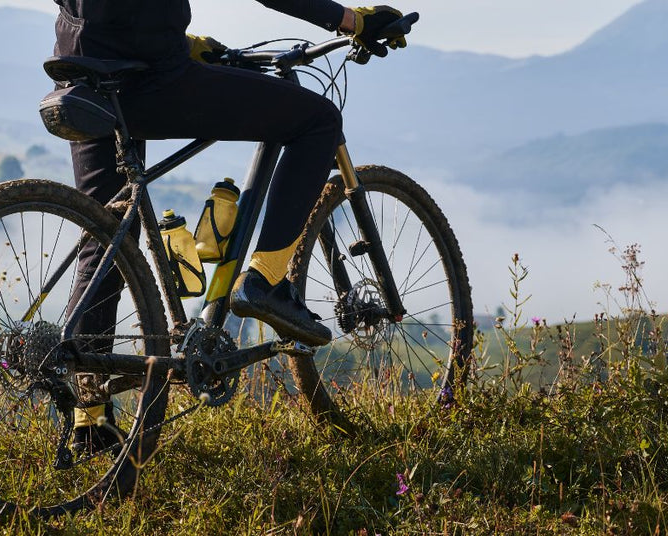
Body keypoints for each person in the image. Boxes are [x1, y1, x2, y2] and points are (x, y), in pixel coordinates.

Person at [53, 0, 407, 453]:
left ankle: (91, 421)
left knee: (105, 237)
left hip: (79, 70)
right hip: (148, 76)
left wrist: (172, 38)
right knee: (317, 120)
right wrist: (353, 22)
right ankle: (264, 282)